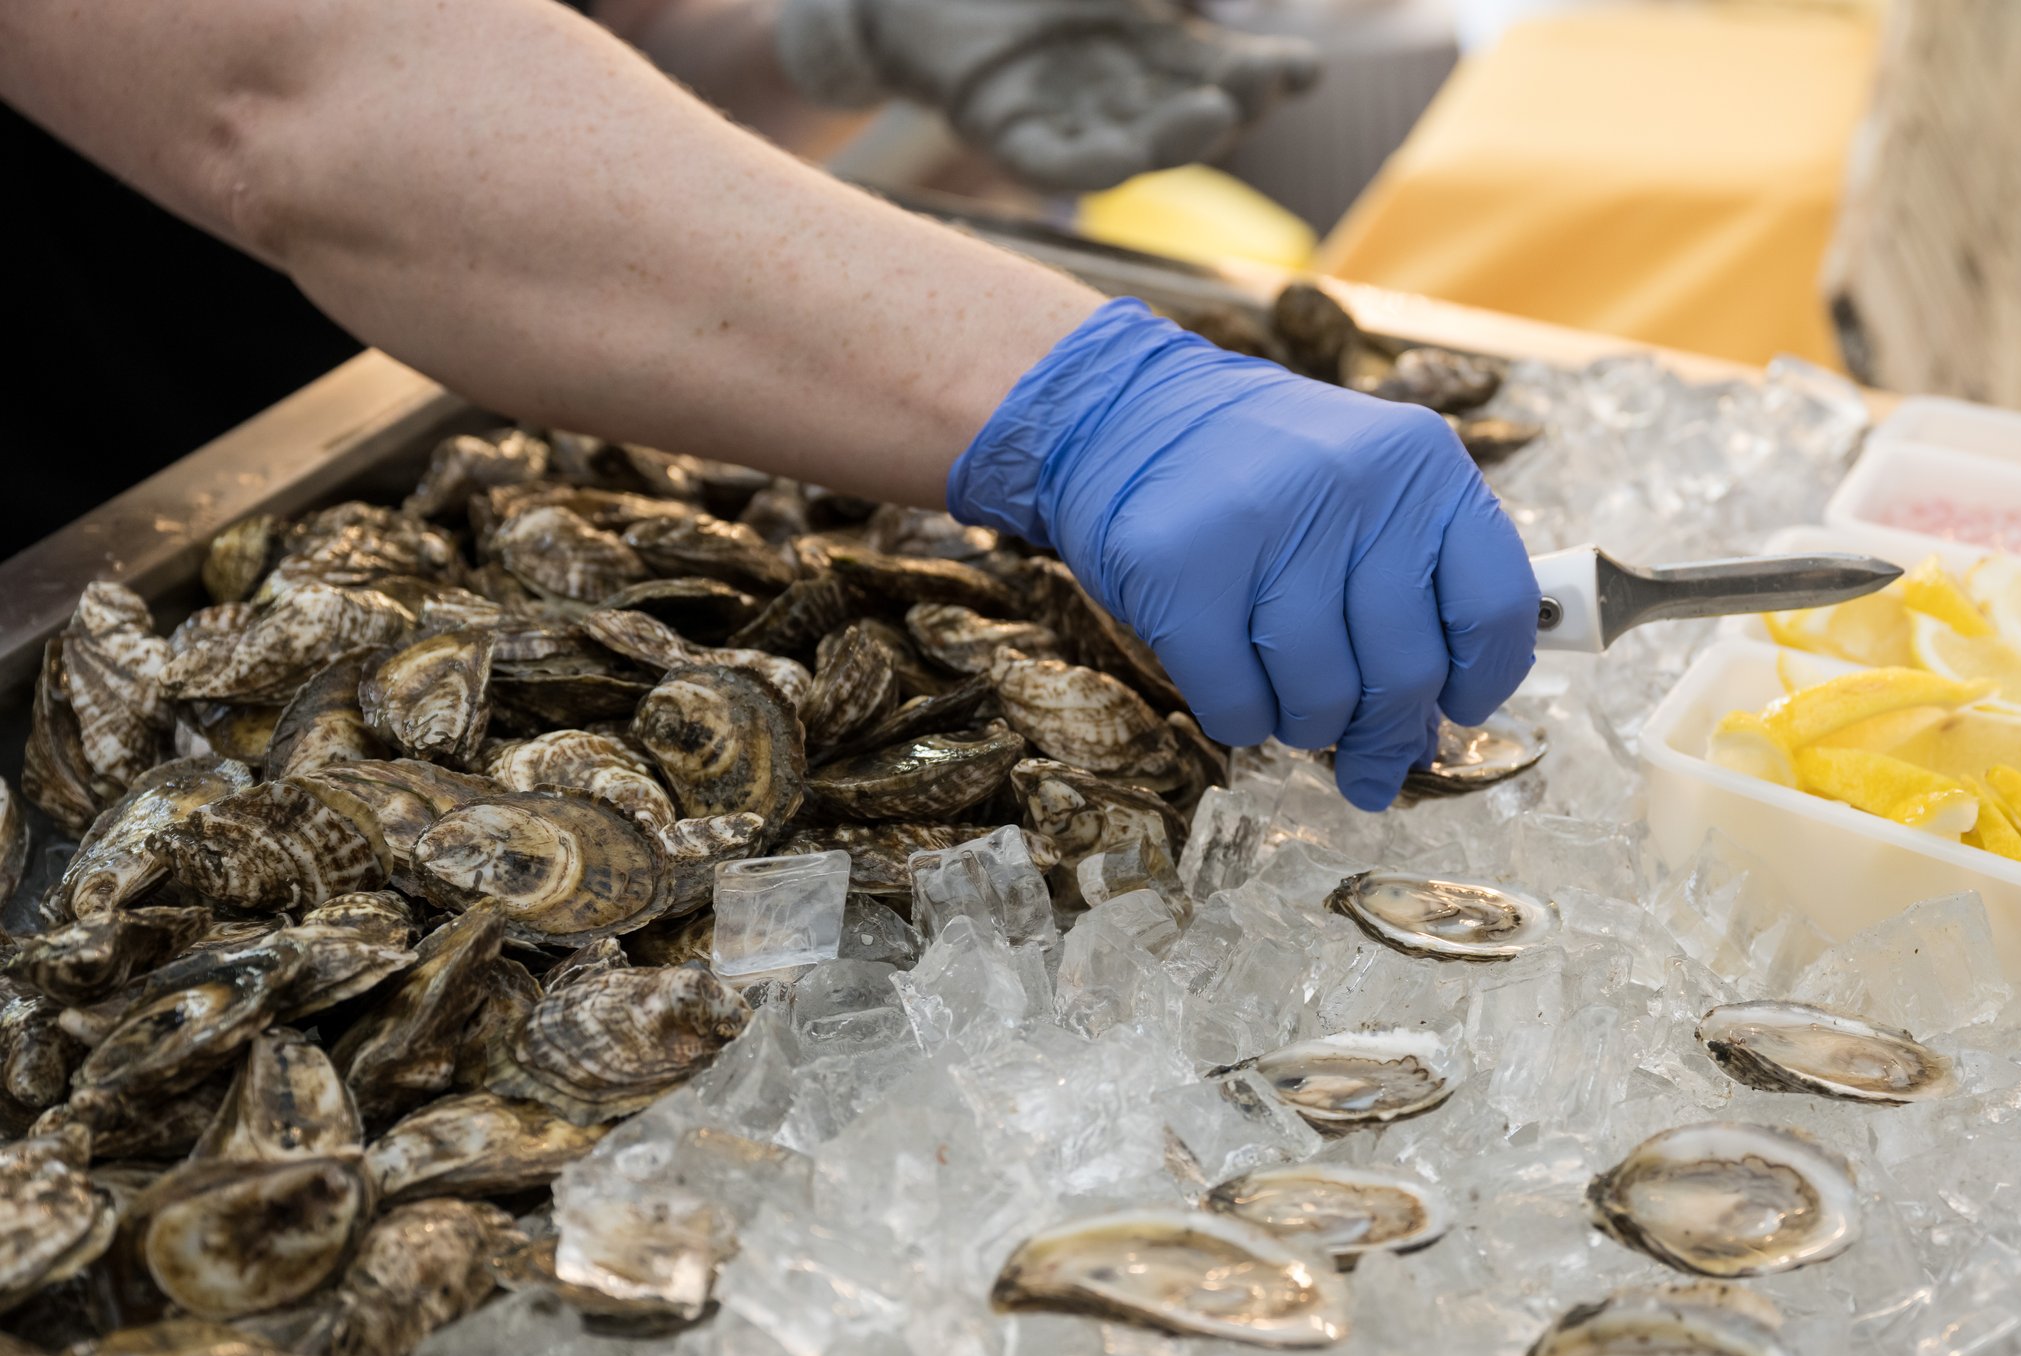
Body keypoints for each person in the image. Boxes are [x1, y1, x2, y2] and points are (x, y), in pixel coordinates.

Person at [1, 0, 1539, 810]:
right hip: (101, 548)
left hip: (465, 423)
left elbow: (580, 53)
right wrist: (1083, 401)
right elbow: (299, 94)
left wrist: (818, 35)